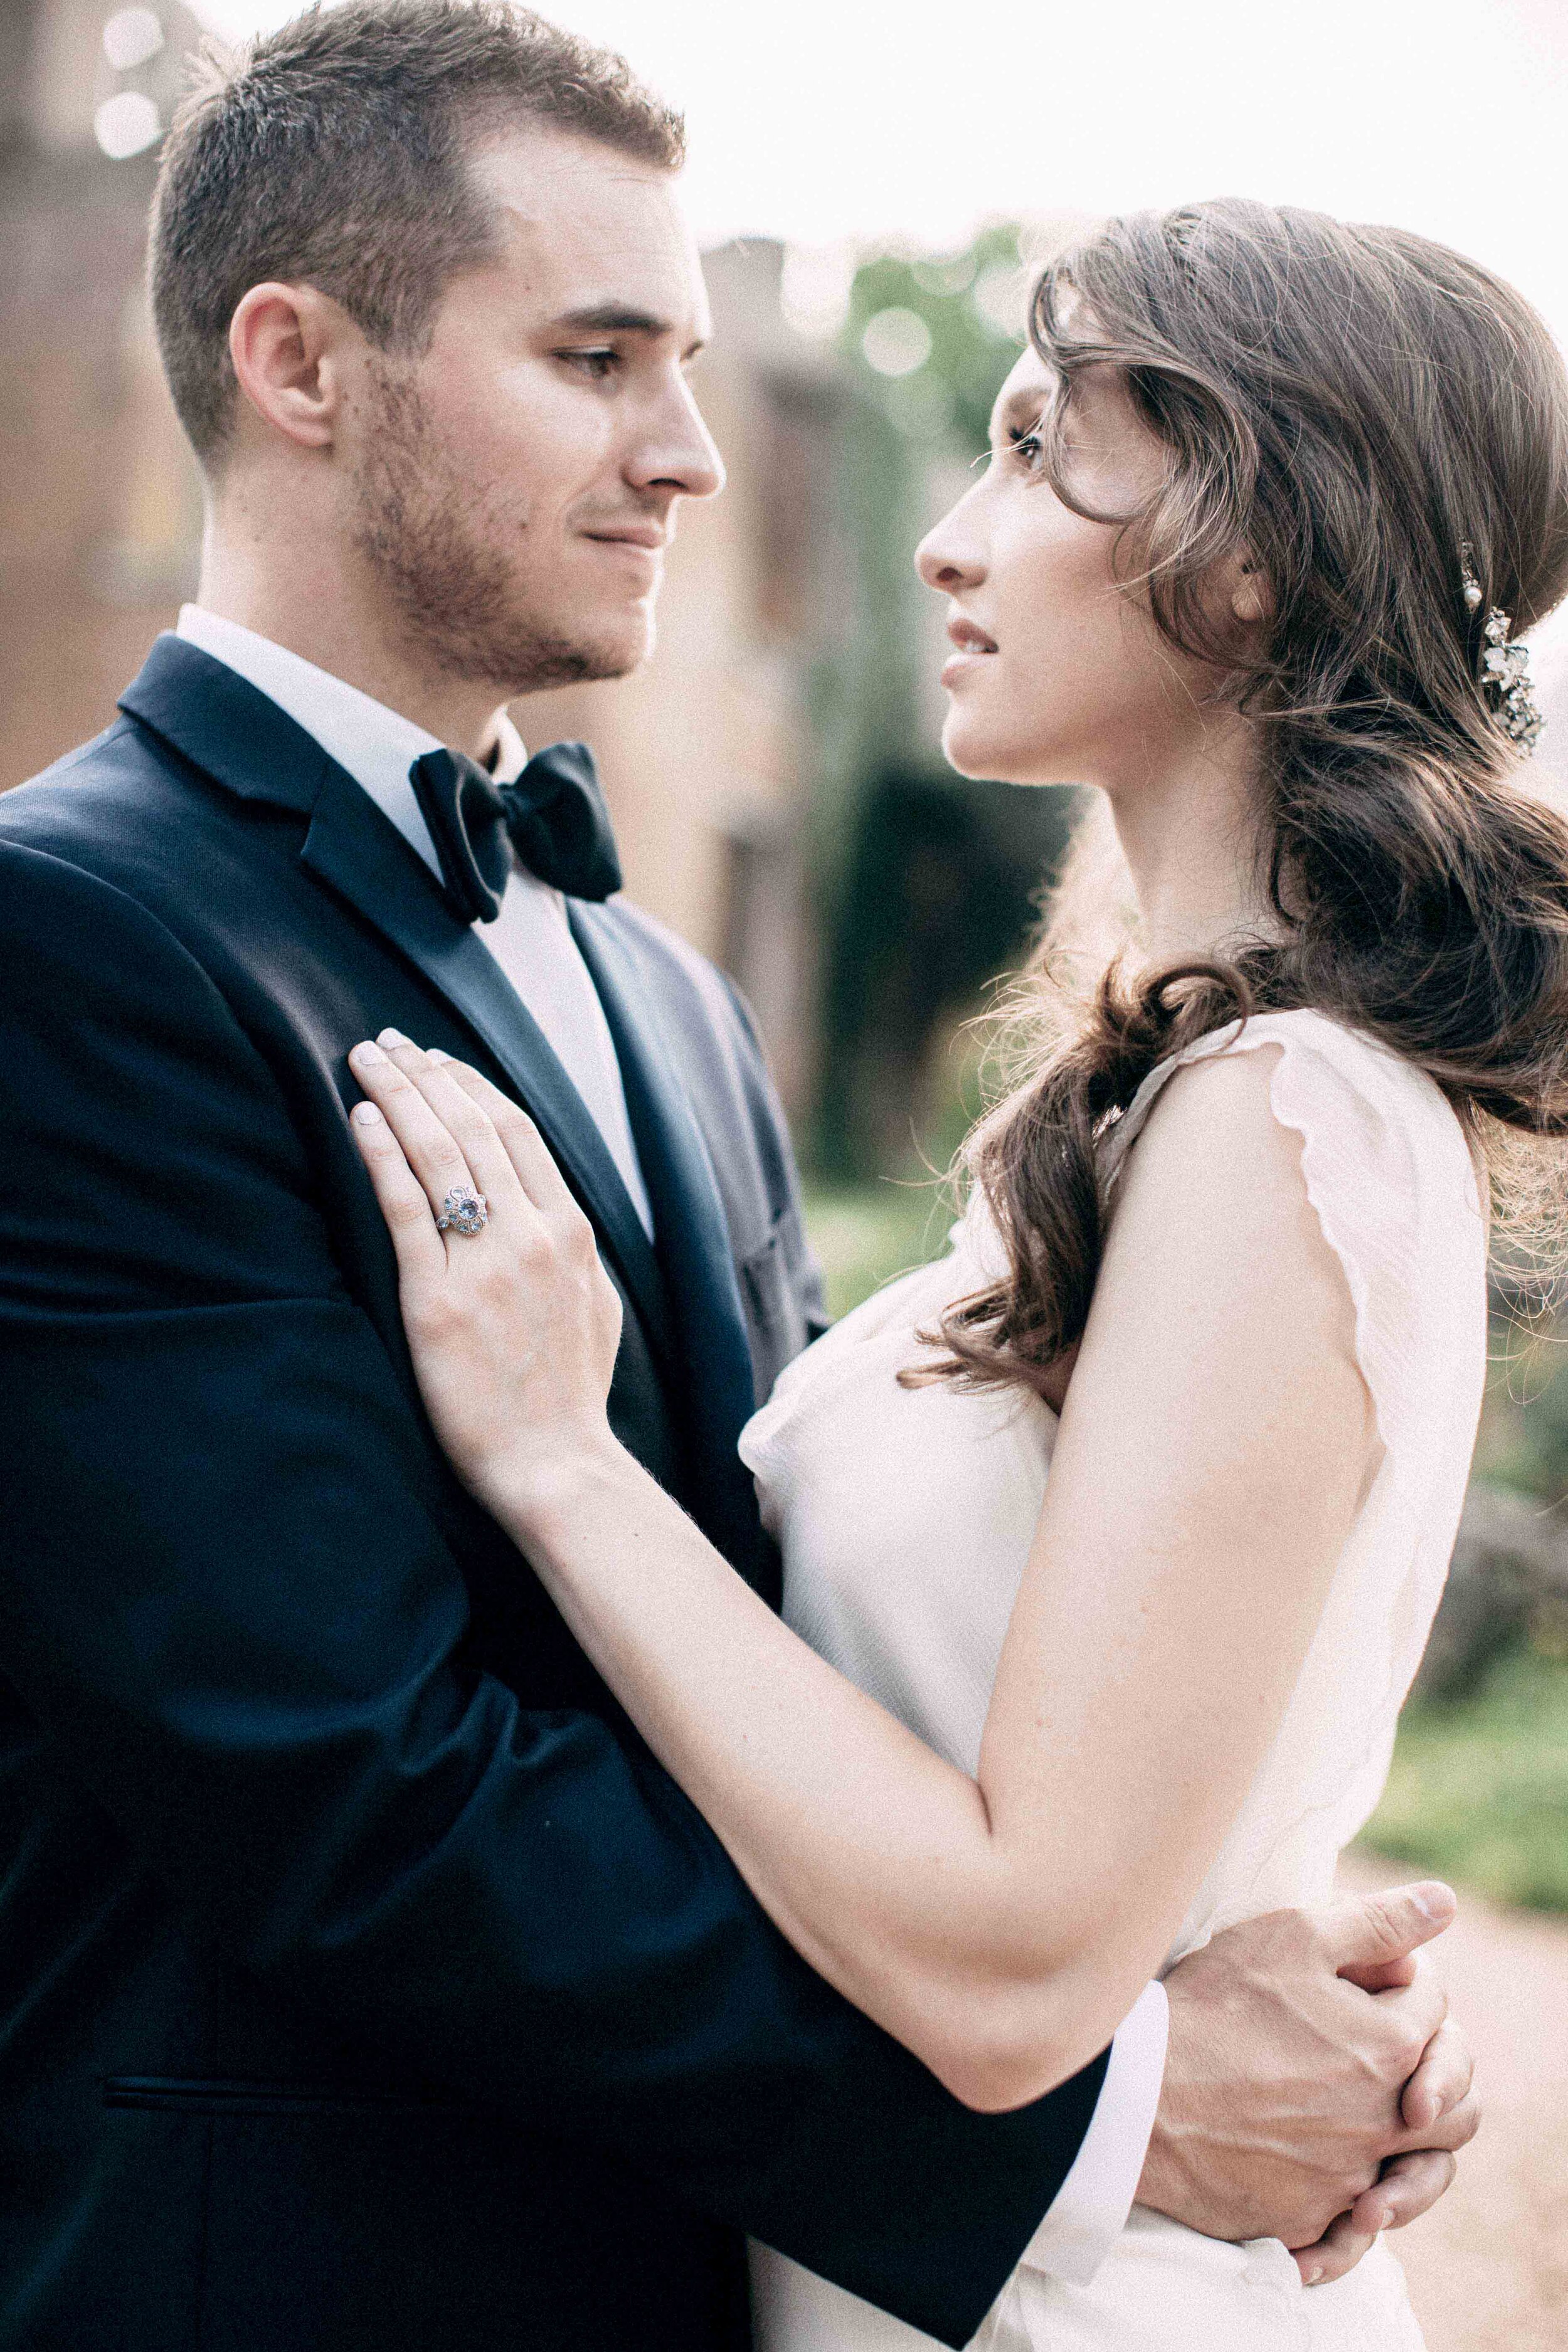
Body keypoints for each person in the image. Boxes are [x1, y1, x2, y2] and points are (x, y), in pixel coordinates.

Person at [0, 4, 1473, 2344]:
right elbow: (352, 1785)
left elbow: (842, 1655)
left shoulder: (665, 995)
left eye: (689, 362)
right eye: (595, 358)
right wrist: (1112, 2110)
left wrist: (1210, 1915)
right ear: (301, 365)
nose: (691, 455)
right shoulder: (68, 939)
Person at [339, 193, 1568, 2351]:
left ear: (1252, 545)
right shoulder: (1185, 1111)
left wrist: (558, 1458)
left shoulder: (1280, 1123)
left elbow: (1015, 1965)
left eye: (1030, 446)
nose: (946, 536)